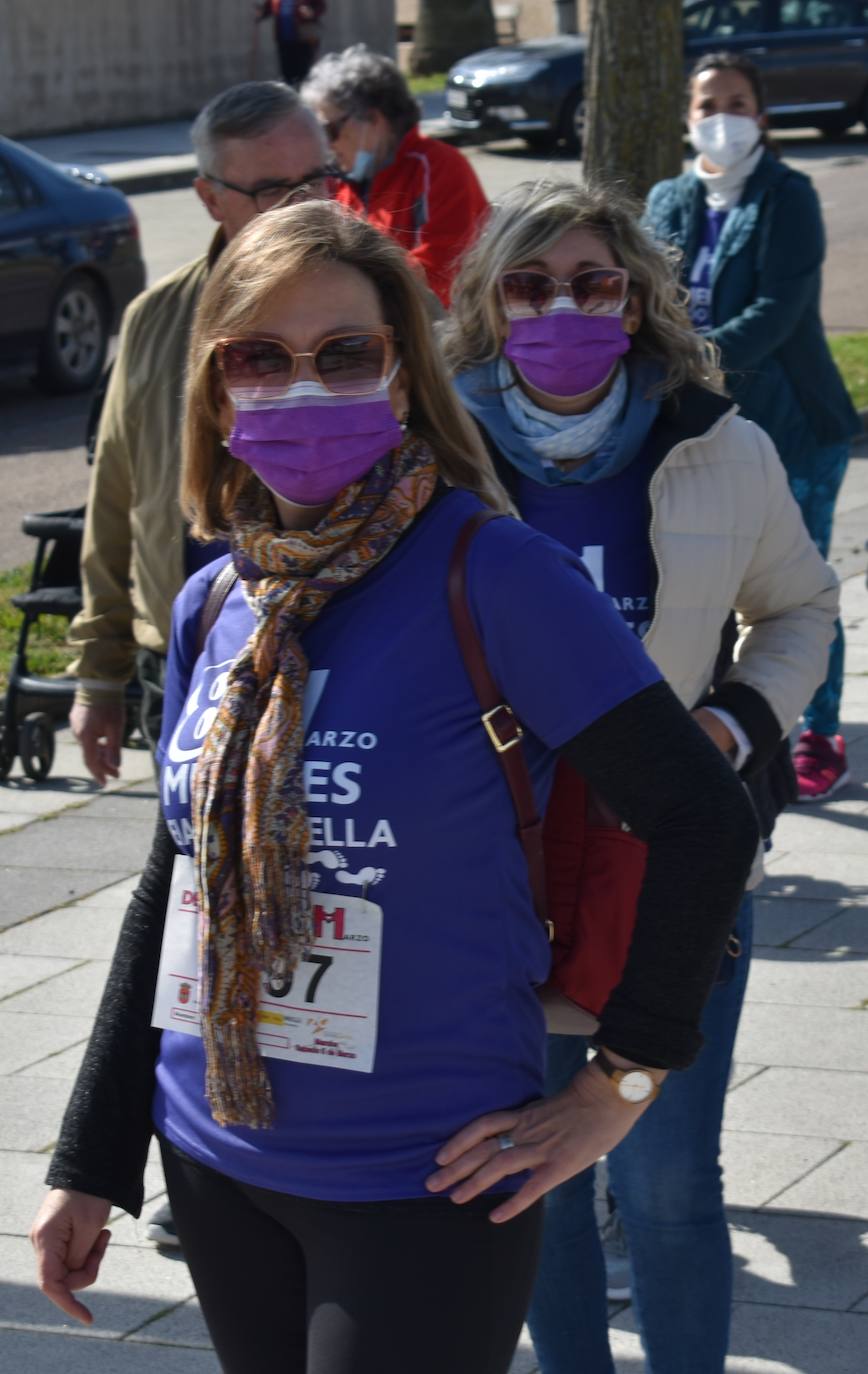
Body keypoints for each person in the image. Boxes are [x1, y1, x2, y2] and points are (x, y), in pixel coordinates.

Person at [31, 200, 760, 1374]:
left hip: (427, 1171)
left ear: (404, 375)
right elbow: (178, 876)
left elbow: (700, 818)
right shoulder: (216, 601)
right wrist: (91, 1162)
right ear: (214, 391)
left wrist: (619, 1083)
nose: (300, 386)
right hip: (215, 1159)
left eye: (344, 354)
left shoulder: (496, 574)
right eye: (259, 357)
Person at [444, 177, 839, 1374]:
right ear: (488, 302)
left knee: (667, 1183)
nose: (560, 306)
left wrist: (726, 731)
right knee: (534, 1179)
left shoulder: (718, 444)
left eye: (592, 282)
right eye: (529, 283)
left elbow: (801, 612)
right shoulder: (433, 451)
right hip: (490, 872)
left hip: (667, 859)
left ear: (635, 300)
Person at [69, 80, 334, 789]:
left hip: (341, 649)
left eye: (320, 179)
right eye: (276, 189)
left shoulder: (388, 308)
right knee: (189, 886)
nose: (306, 207)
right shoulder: (156, 320)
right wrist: (100, 676)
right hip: (190, 658)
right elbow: (117, 498)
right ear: (210, 199)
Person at [644, 52, 861, 802]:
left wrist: (687, 363)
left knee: (797, 591)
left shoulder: (787, 196)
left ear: (761, 116)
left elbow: (780, 309)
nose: (721, 118)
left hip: (796, 424)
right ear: (688, 116)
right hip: (699, 430)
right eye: (707, 104)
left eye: (736, 103)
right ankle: (723, 715)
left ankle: (819, 732)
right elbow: (648, 299)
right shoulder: (667, 200)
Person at [301, 44, 488, 307]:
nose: (328, 146)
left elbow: (440, 276)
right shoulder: (344, 183)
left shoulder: (438, 167)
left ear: (374, 119)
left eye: (330, 130)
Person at [256, 0, 326, 87]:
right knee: (287, 74)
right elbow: (268, 8)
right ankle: (289, 96)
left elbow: (320, 6)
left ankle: (304, 97)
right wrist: (260, 14)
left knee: (303, 74)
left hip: (304, 39)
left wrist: (311, 12)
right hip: (283, 39)